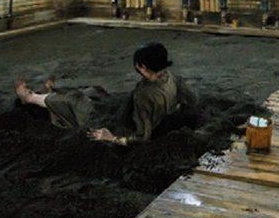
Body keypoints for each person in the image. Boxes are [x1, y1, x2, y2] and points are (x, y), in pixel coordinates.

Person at [14, 43, 196, 145]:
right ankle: (51, 92)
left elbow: (143, 138)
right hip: (122, 113)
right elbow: (191, 101)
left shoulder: (144, 96)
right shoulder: (172, 77)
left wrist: (112, 138)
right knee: (95, 91)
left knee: (73, 99)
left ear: (142, 67)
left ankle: (30, 97)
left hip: (114, 125)